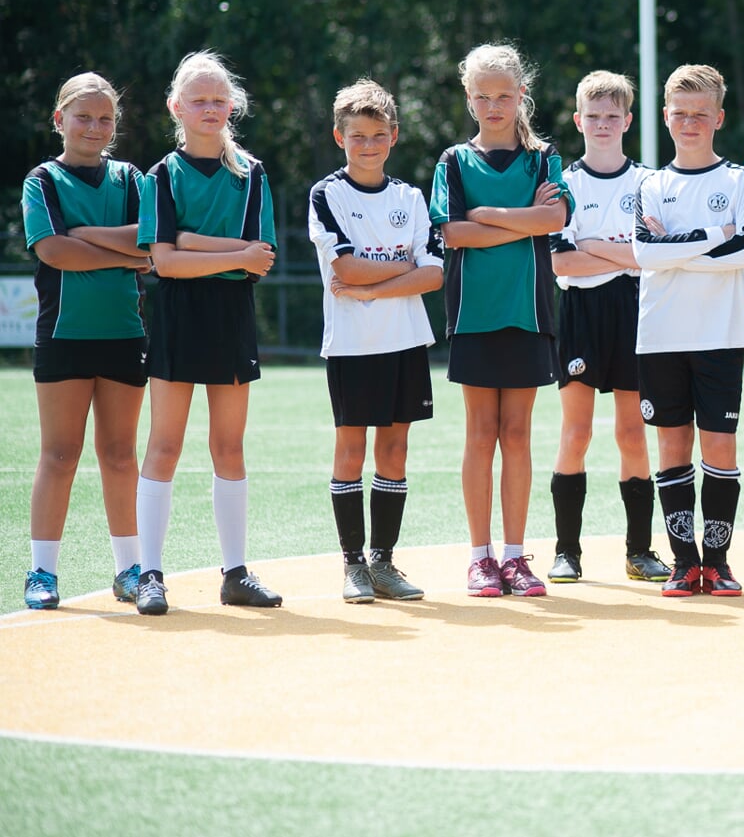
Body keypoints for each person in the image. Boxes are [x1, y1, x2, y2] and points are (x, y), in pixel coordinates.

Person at [133, 51, 282, 616]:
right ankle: (150, 573)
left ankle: (235, 572)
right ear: (177, 106)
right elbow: (163, 265)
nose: (211, 108)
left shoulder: (252, 173)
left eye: (220, 100)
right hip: (176, 316)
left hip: (230, 316)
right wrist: (223, 250)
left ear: (233, 106)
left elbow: (259, 259)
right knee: (165, 444)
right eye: (199, 100)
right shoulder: (160, 176)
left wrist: (191, 243)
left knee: (229, 445)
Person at [431, 43, 573, 599]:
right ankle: (480, 558)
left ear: (521, 97)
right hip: (473, 314)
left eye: (504, 96)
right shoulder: (452, 161)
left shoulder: (544, 158)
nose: (494, 105)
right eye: (483, 96)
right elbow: (452, 232)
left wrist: (486, 215)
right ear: (469, 98)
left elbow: (557, 217)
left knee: (517, 434)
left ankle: (515, 557)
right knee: (480, 433)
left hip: (529, 310)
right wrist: (524, 221)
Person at [629, 64, 744, 597]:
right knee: (672, 448)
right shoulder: (649, 183)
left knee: (720, 449)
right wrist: (715, 235)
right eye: (680, 114)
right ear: (666, 118)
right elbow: (643, 252)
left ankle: (719, 562)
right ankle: (685, 563)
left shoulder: (739, 180)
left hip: (720, 335)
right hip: (660, 336)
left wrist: (677, 248)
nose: (690, 122)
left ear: (718, 118)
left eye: (701, 114)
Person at [309, 80, 441, 604]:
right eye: (357, 135)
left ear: (394, 136)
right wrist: (400, 268)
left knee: (395, 447)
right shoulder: (327, 194)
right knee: (351, 448)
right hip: (351, 344)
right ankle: (353, 563)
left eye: (378, 135)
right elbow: (343, 267)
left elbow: (432, 274)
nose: (368, 144)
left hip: (405, 341)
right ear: (339, 136)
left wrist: (375, 284)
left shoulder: (409, 197)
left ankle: (384, 562)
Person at [21, 73, 150, 610]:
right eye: (84, 117)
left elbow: (150, 243)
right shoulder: (43, 181)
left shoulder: (131, 179)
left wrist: (90, 238)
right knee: (59, 454)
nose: (95, 127)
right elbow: (53, 251)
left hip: (125, 333)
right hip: (63, 335)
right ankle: (42, 573)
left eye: (105, 119)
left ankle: (130, 570)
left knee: (120, 455)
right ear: (60, 120)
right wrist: (123, 254)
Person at [546, 71, 667, 585]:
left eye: (612, 116)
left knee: (631, 432)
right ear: (578, 120)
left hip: (635, 314)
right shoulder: (564, 183)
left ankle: (639, 551)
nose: (602, 124)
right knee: (576, 433)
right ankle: (566, 551)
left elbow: (652, 258)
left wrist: (594, 246)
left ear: (628, 121)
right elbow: (562, 265)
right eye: (592, 116)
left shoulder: (647, 182)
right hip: (581, 317)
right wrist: (621, 254)